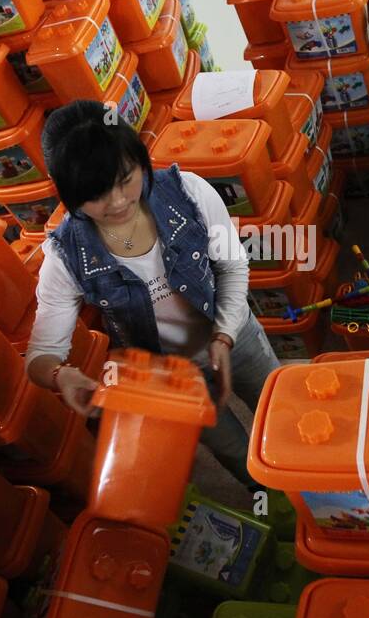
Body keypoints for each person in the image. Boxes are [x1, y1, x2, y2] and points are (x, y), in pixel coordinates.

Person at [25, 100, 281, 491]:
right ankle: (271, 497)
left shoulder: (188, 192)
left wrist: (224, 335)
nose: (117, 202)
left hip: (235, 332)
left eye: (126, 178)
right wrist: (60, 376)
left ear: (140, 160)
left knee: (280, 409)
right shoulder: (64, 256)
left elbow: (232, 266)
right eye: (95, 194)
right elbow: (41, 353)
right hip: (174, 376)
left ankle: (306, 480)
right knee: (231, 447)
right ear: (69, 194)